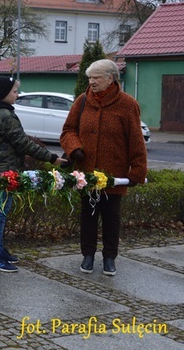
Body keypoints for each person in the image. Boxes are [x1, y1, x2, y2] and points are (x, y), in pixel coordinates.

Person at [60, 59, 147, 276]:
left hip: (114, 175)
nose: (91, 82)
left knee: (111, 217)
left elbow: (136, 140)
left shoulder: (127, 105)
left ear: (111, 78)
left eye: (96, 78)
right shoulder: (82, 102)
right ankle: (87, 256)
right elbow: (68, 130)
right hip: (86, 173)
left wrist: (137, 170)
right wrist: (74, 148)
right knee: (88, 216)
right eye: (89, 78)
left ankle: (110, 258)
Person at [0, 76, 66, 273]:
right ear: (4, 93)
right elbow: (23, 144)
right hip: (5, 172)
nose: (17, 95)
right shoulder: (5, 116)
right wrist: (51, 158)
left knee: (0, 212)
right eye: (14, 91)